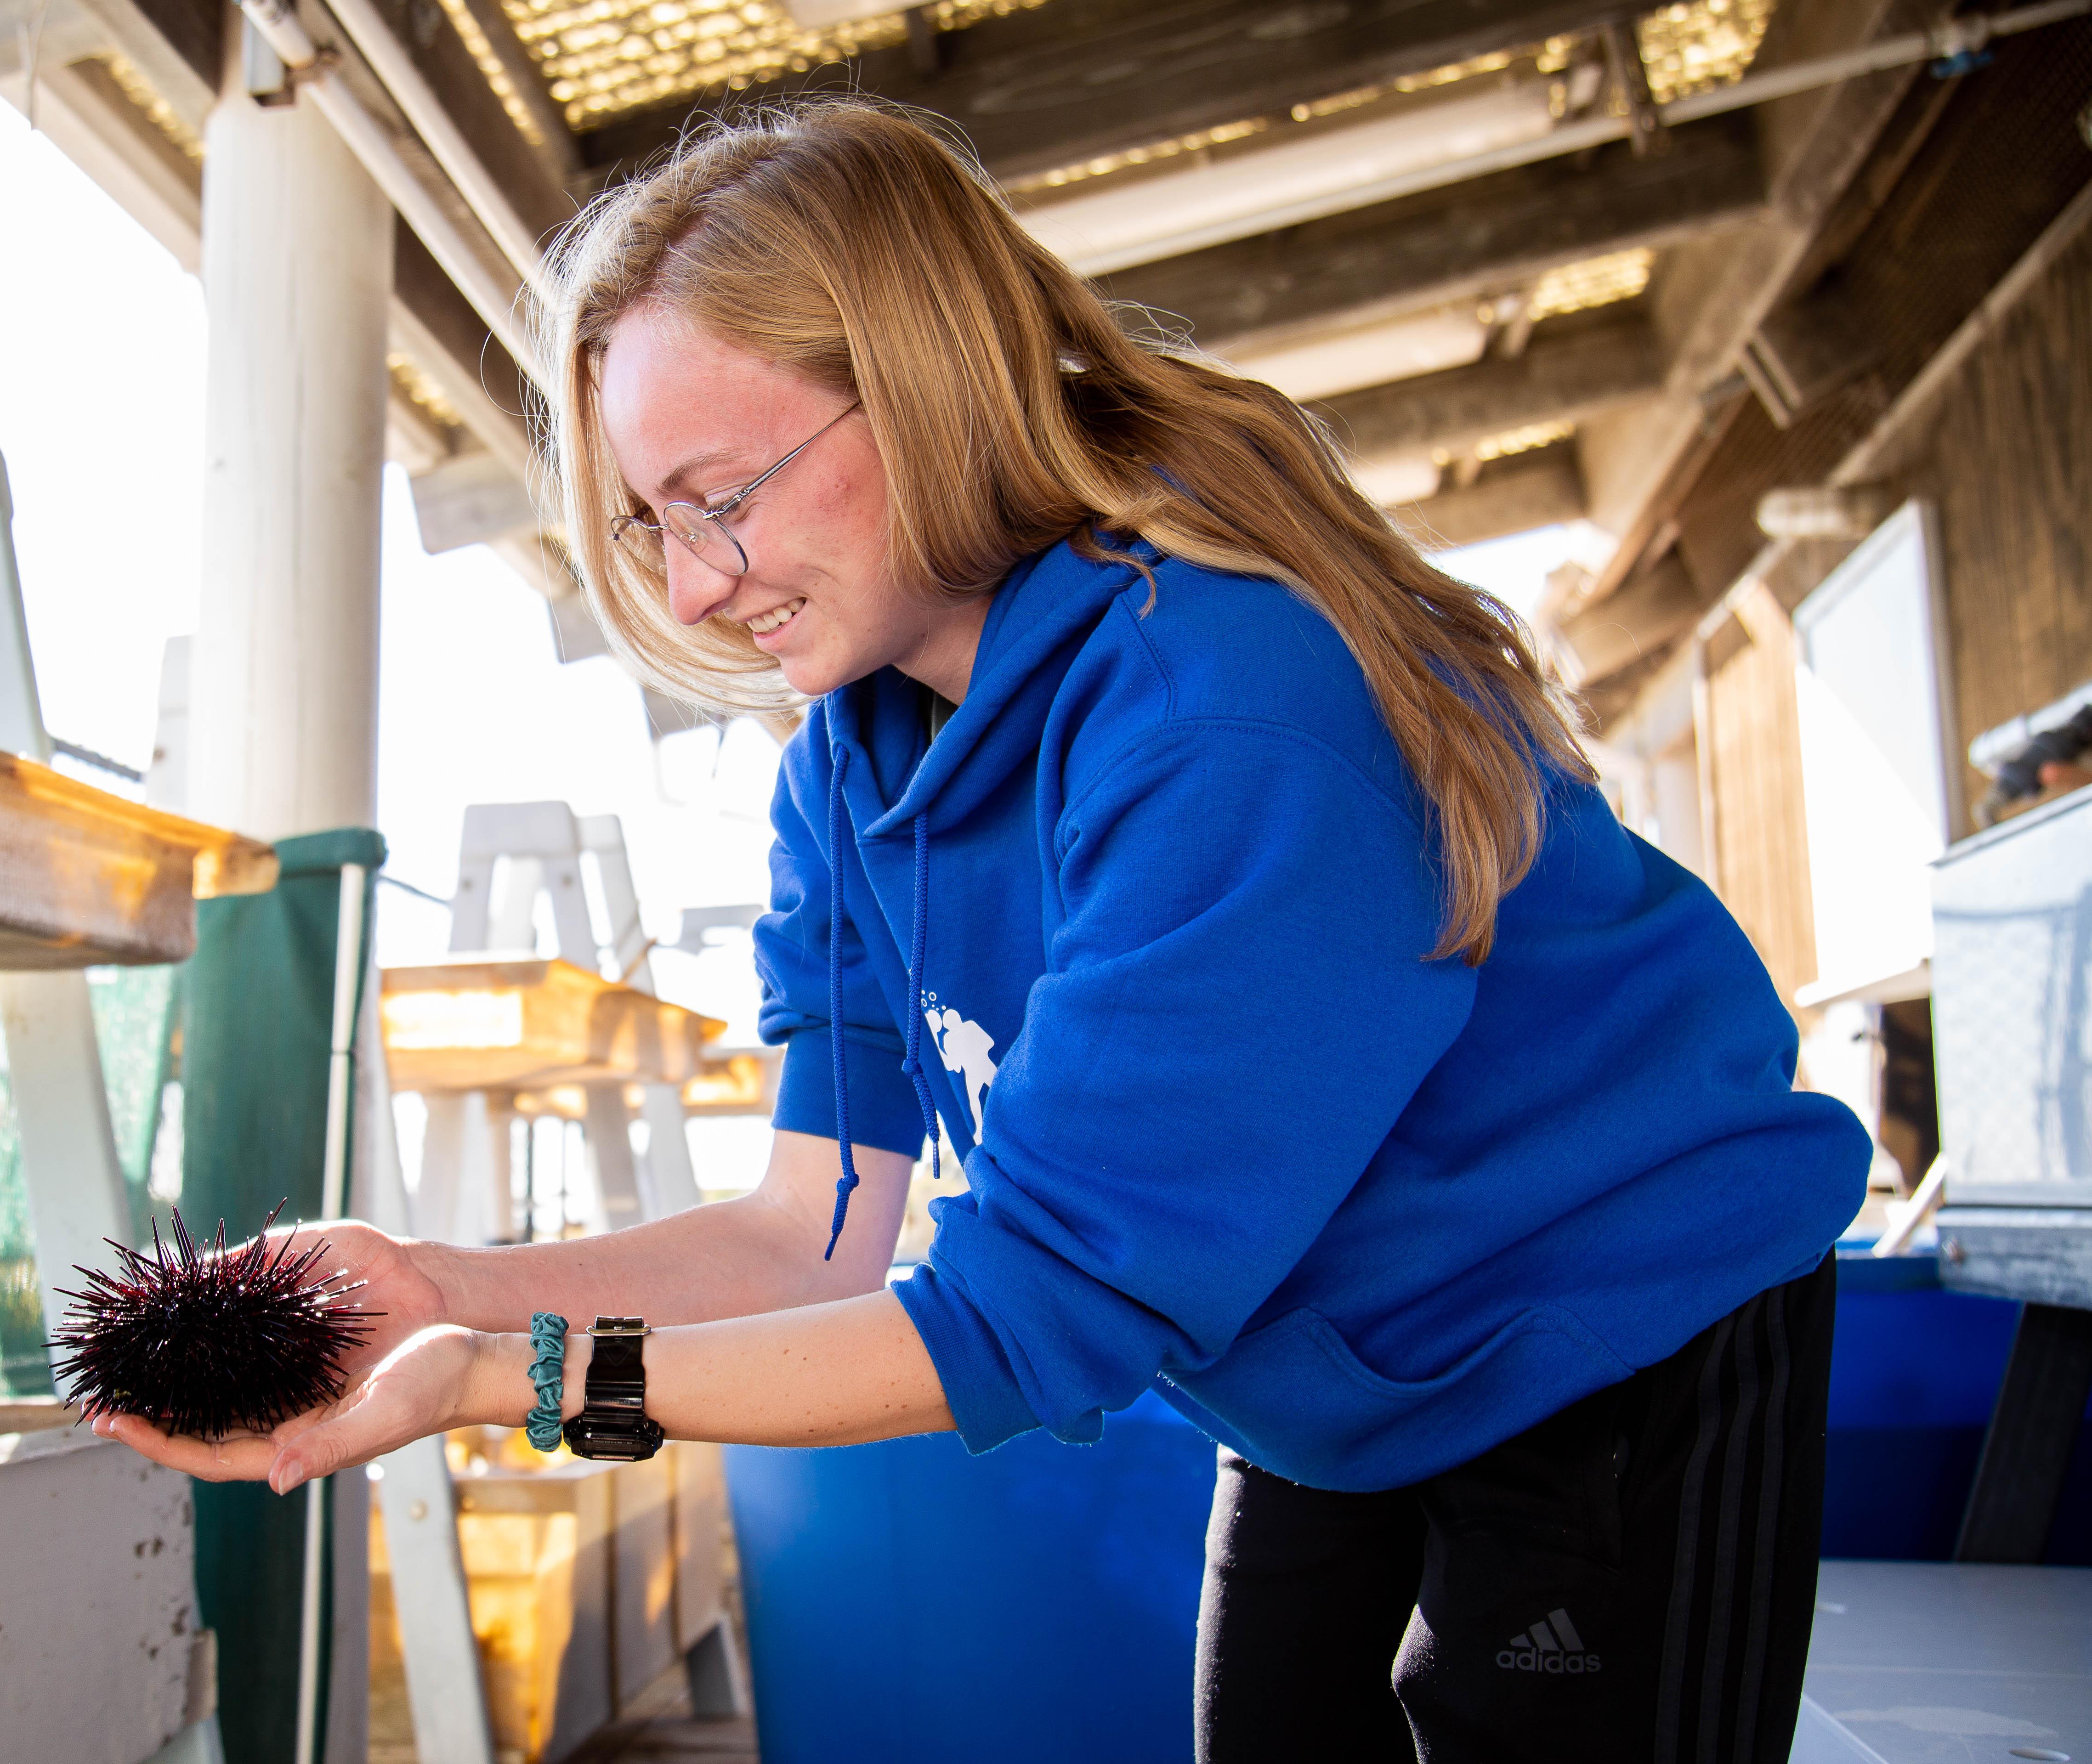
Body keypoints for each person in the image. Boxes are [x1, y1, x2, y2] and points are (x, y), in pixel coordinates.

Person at [102, 102, 1869, 1762]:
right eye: (653, 528)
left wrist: (520, 1378)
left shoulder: (1220, 714)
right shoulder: (850, 766)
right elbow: (819, 1233)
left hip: (1607, 1329)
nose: (699, 584)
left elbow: (1026, 1314)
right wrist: (445, 1293)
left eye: (723, 493)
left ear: (924, 392)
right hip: (1327, 1376)